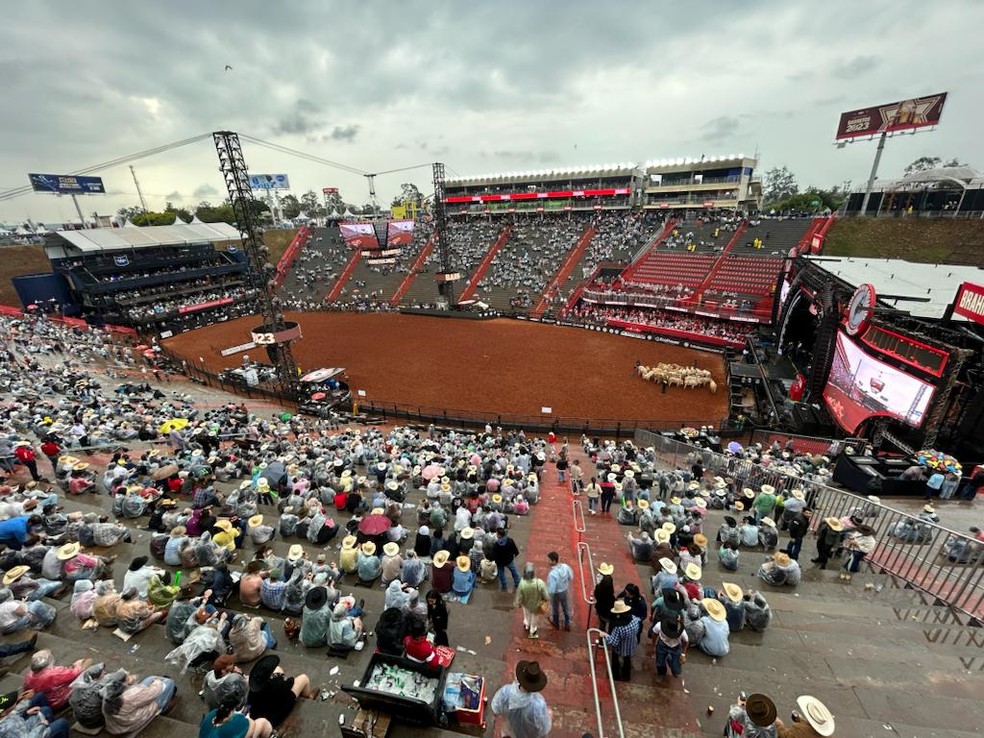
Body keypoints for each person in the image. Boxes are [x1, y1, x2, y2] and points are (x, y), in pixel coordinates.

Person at [246, 654, 315, 728]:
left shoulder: (255, 684)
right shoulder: (275, 685)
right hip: (273, 716)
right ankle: (309, 696)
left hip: (258, 711)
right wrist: (283, 678)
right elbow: (290, 683)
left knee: (278, 669)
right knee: (303, 679)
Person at [100, 669, 176, 735]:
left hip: (114, 725)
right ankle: (164, 709)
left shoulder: (109, 691)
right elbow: (156, 691)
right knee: (169, 683)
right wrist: (158, 681)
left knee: (150, 678)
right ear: (125, 683)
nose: (131, 676)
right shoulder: (131, 695)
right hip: (129, 723)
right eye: (129, 677)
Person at [490, 660, 552, 738]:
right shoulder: (538, 705)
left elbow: (495, 708)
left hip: (508, 733)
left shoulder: (505, 692)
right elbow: (543, 730)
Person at [23, 650, 91, 711]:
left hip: (43, 700)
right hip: (56, 702)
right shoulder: (54, 674)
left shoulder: (29, 676)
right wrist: (78, 664)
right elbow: (75, 673)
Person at [200, 696, 274, 738]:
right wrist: (246, 717)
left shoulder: (212, 714)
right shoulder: (237, 724)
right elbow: (252, 727)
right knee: (263, 722)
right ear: (231, 711)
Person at [603, 599, 641, 681]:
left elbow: (614, 641)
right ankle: (626, 674)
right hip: (630, 645)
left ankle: (615, 675)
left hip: (620, 648)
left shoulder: (618, 628)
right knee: (627, 660)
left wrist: (605, 635)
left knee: (615, 659)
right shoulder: (634, 619)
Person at [515, 563, 548, 639]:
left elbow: (519, 595)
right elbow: (545, 594)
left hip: (525, 603)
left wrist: (518, 603)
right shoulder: (539, 583)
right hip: (536, 604)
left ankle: (527, 624)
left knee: (526, 614)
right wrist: (546, 599)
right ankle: (532, 630)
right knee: (534, 617)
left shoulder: (522, 583)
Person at [652, 612, 689, 679]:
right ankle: (661, 674)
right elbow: (654, 634)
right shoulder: (659, 626)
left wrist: (683, 654)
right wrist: (654, 646)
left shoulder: (682, 631)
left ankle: (669, 659)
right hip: (662, 645)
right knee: (660, 663)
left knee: (677, 670)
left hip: (676, 647)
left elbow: (686, 641)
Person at [546, 550, 573, 631]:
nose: (548, 561)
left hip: (556, 594)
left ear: (554, 561)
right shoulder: (565, 566)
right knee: (565, 607)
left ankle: (556, 622)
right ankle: (567, 623)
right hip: (564, 590)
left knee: (555, 608)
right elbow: (571, 577)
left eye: (550, 560)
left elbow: (552, 590)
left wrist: (548, 596)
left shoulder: (552, 574)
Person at [594, 563, 615, 631]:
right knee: (611, 624)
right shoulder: (610, 579)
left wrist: (597, 585)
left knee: (602, 624)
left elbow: (597, 595)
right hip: (610, 607)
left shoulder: (601, 586)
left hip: (602, 608)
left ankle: (602, 639)